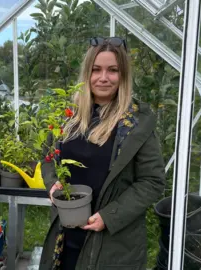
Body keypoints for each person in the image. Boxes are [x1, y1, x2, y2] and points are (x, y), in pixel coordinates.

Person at [38, 37, 166, 270]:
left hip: (112, 244)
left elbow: (152, 182)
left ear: (123, 75)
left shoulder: (137, 123)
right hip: (65, 235)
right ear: (87, 73)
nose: (103, 78)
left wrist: (109, 216)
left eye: (113, 70)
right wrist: (52, 183)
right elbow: (47, 158)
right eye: (96, 70)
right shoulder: (68, 116)